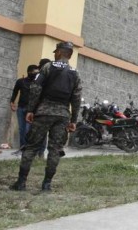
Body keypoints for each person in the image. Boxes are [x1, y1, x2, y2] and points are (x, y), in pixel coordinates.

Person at [10, 42, 82, 192]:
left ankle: (21, 183)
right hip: (62, 116)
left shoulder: (47, 67)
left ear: (61, 53)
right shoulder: (75, 73)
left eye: (56, 52)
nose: (55, 54)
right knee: (55, 149)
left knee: (31, 147)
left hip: (43, 112)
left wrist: (31, 110)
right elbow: (76, 98)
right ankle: (46, 184)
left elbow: (36, 88)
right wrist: (73, 120)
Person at [10, 65, 40, 154]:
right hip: (21, 108)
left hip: (31, 111)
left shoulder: (37, 83)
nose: (36, 74)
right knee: (21, 129)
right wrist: (12, 102)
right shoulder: (20, 81)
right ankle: (22, 148)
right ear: (29, 72)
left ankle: (28, 150)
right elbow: (15, 91)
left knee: (28, 130)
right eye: (35, 72)